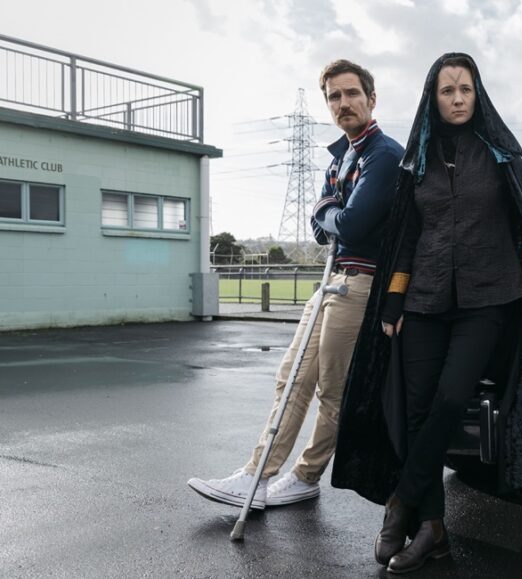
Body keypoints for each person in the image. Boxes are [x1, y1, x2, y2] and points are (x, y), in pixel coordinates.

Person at [328, 53, 522, 574]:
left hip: (487, 298)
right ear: (432, 98)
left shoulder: (499, 154)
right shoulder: (418, 157)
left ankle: (401, 503)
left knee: (452, 399)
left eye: (465, 90)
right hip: (424, 299)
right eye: (447, 91)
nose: (457, 99)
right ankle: (432, 527)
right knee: (414, 411)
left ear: (478, 95)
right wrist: (392, 299)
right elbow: (407, 234)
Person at [187, 59, 403, 509]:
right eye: (334, 97)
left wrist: (328, 208)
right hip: (333, 281)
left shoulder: (384, 156)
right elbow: (324, 230)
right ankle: (256, 475)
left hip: (361, 284)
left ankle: (306, 475)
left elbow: (353, 224)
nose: (343, 103)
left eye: (351, 94)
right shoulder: (343, 155)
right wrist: (331, 212)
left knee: (332, 390)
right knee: (292, 378)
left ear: (371, 99)